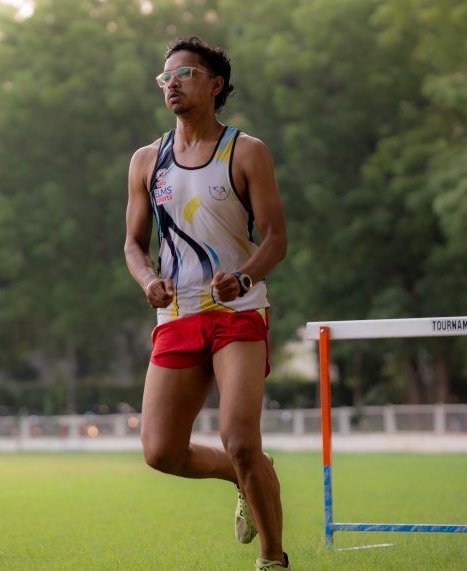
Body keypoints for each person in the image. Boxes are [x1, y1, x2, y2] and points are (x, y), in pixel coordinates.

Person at [124, 36, 289, 570]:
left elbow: (275, 240)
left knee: (240, 438)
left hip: (237, 313)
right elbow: (133, 245)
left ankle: (272, 559)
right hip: (177, 316)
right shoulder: (147, 161)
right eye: (165, 77)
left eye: (186, 74)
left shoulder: (246, 151)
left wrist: (243, 278)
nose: (172, 84)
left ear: (216, 85)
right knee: (160, 452)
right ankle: (243, 475)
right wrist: (148, 280)